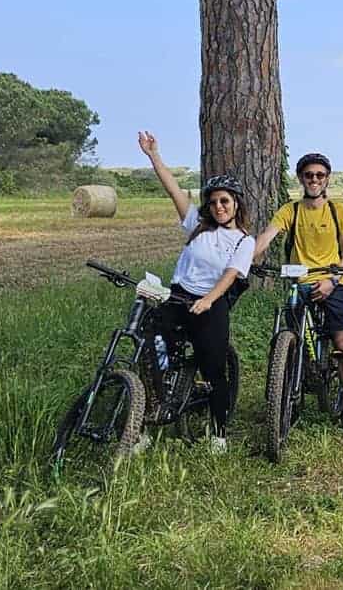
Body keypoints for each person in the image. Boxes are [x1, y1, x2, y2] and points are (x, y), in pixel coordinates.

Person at [138, 131, 253, 453]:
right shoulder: (197, 226)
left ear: (236, 204)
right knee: (149, 350)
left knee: (214, 369)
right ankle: (145, 420)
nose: (218, 206)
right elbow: (173, 189)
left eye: (225, 201)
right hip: (178, 296)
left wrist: (209, 300)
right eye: (214, 201)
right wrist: (153, 156)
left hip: (210, 303)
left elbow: (231, 274)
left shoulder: (244, 240)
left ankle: (218, 433)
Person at [252, 153, 343, 429]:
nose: (314, 180)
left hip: (332, 281)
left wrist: (333, 280)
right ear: (301, 178)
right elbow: (266, 237)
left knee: (341, 341)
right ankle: (288, 394)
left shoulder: (338, 211)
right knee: (292, 337)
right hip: (300, 282)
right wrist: (248, 258)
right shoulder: (291, 210)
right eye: (309, 175)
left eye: (319, 175)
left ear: (327, 179)